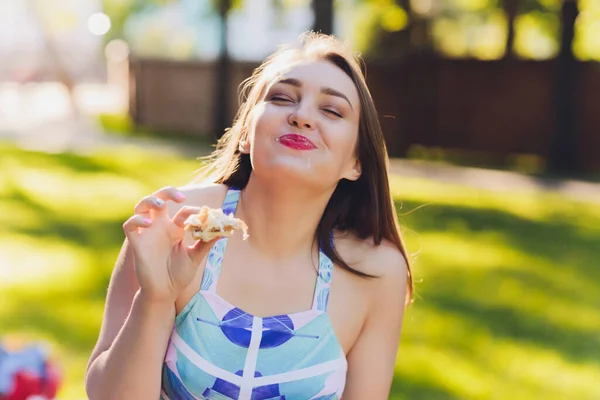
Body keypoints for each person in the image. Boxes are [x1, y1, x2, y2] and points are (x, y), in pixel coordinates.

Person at [85, 31, 413, 400]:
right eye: (282, 98)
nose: (301, 116)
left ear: (356, 162)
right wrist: (155, 298)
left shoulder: (377, 270)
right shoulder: (175, 226)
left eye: (332, 110)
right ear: (245, 135)